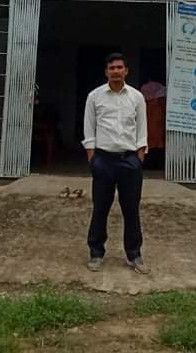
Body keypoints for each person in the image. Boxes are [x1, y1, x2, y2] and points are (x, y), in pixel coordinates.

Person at [82, 52, 149, 274]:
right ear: (106, 72)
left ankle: (134, 255)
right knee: (100, 208)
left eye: (120, 67)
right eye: (112, 68)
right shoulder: (95, 96)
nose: (116, 71)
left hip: (129, 160)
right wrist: (92, 156)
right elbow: (88, 128)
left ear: (126, 71)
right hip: (103, 160)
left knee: (131, 209)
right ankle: (96, 253)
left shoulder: (137, 97)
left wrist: (139, 155)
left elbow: (142, 128)